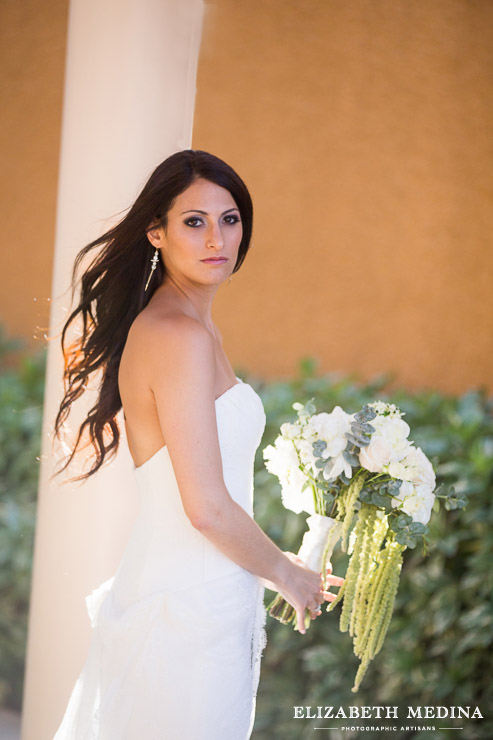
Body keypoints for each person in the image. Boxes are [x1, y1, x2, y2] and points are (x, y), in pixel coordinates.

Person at [51, 149, 344, 739]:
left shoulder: (192, 324)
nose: (218, 238)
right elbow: (205, 507)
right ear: (156, 232)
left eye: (230, 219)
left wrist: (275, 564)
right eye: (194, 221)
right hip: (184, 612)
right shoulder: (176, 334)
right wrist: (286, 577)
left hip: (205, 597)